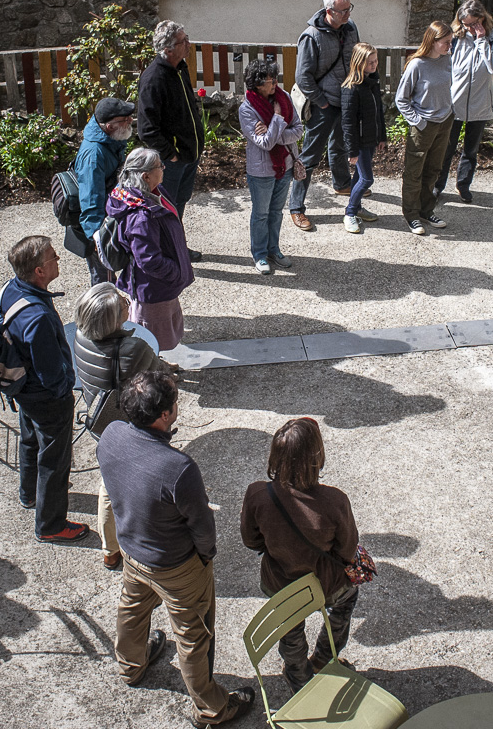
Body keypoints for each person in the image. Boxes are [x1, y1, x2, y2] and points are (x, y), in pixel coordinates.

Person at [97, 371, 254, 727]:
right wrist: (206, 555)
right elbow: (202, 525)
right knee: (193, 635)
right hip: (177, 566)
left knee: (132, 609)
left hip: (133, 551)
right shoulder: (178, 469)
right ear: (164, 416)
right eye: (175, 402)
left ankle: (131, 665)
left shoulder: (111, 434)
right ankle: (211, 707)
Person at [240, 417, 360, 694]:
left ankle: (298, 675)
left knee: (290, 629)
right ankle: (323, 657)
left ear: (275, 455)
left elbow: (250, 540)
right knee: (345, 601)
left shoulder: (257, 494)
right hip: (325, 583)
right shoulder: (335, 501)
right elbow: (347, 549)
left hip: (281, 584)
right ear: (316, 456)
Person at [74, 282, 169, 570]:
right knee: (124, 486)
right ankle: (133, 541)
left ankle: (109, 550)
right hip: (131, 426)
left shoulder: (80, 336)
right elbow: (159, 376)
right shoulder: (132, 348)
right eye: (122, 303)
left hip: (100, 421)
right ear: (114, 320)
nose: (127, 301)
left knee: (109, 480)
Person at [1, 236, 89, 543]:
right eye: (54, 257)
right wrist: (65, 391)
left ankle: (29, 494)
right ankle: (51, 526)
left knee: (29, 440)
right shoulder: (37, 318)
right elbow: (52, 373)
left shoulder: (12, 289)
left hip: (24, 391)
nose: (58, 259)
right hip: (47, 398)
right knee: (55, 459)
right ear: (40, 271)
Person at [106, 147, 194, 352]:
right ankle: (152, 373)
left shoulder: (154, 193)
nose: (164, 168)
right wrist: (175, 272)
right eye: (159, 166)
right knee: (151, 338)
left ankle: (157, 365)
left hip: (161, 285)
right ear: (146, 176)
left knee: (160, 332)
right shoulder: (141, 217)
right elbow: (149, 260)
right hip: (154, 289)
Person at [289, 0, 359, 231]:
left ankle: (341, 183)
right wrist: (322, 102)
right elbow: (303, 77)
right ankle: (296, 207)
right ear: (329, 11)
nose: (348, 14)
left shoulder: (351, 28)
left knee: (339, 145)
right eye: (343, 10)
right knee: (309, 157)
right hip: (323, 104)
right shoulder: (311, 36)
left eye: (350, 8)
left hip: (346, 99)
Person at [137, 20, 204, 260]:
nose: (189, 44)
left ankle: (177, 248)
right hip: (171, 161)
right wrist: (171, 154)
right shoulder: (153, 79)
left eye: (187, 38)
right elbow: (147, 129)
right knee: (165, 208)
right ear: (167, 49)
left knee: (179, 204)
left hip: (189, 154)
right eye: (183, 41)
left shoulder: (180, 68)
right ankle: (168, 253)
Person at [238, 58, 304, 274]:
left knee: (276, 212)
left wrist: (272, 131)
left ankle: (273, 250)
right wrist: (276, 118)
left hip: (284, 166)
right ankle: (259, 254)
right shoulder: (247, 109)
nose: (275, 81)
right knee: (261, 214)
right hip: (261, 171)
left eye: (275, 76)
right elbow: (264, 143)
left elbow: (298, 130)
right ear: (257, 83)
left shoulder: (284, 98)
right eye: (269, 79)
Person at [434, 0, 493, 204]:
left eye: (474, 23)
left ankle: (463, 185)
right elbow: (443, 64)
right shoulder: (455, 37)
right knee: (446, 148)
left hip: (480, 102)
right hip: (454, 102)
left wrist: (482, 40)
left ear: (482, 19)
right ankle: (438, 185)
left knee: (471, 149)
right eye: (466, 24)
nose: (470, 28)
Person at [395, 20, 455, 235]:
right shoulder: (417, 65)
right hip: (423, 126)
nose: (450, 46)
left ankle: (426, 210)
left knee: (434, 170)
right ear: (433, 40)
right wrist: (418, 121)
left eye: (451, 42)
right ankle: (411, 215)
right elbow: (401, 99)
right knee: (414, 172)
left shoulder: (448, 60)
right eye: (446, 42)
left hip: (444, 122)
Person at [74, 97, 135, 284]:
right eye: (125, 120)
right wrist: (98, 240)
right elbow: (90, 199)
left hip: (109, 221)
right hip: (99, 229)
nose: (130, 122)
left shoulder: (110, 139)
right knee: (104, 282)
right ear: (109, 126)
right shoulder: (93, 155)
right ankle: (101, 313)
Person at [339, 42, 385, 234]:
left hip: (371, 139)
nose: (374, 65)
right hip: (360, 143)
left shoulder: (372, 83)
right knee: (366, 179)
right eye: (370, 62)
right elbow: (348, 123)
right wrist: (352, 150)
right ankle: (350, 213)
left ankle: (356, 207)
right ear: (359, 63)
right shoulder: (351, 88)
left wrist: (381, 137)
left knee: (359, 176)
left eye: (375, 61)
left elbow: (378, 113)